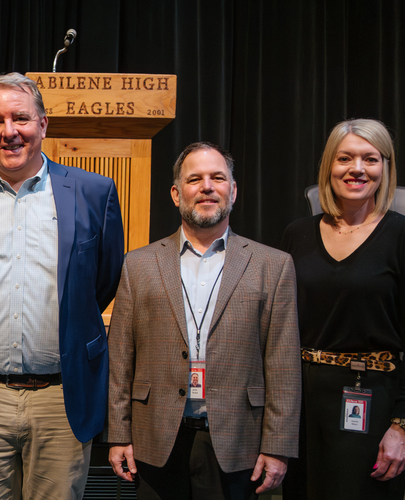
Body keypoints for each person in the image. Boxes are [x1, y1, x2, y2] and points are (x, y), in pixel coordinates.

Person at [0, 72, 125, 499]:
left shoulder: (95, 192)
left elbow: (105, 279)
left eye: (20, 118)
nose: (9, 131)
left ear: (43, 124)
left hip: (62, 399)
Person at [107, 142, 301, 499]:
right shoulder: (138, 264)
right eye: (194, 179)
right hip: (155, 439)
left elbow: (283, 364)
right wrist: (118, 434)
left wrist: (278, 446)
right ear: (176, 193)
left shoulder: (273, 265)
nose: (207, 187)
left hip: (238, 442)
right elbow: (120, 358)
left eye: (218, 178)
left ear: (233, 190)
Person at [281, 119, 405, 500]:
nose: (357, 169)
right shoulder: (296, 234)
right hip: (301, 403)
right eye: (345, 158)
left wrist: (404, 426)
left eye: (370, 158)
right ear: (328, 167)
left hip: (372, 399)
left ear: (385, 167)